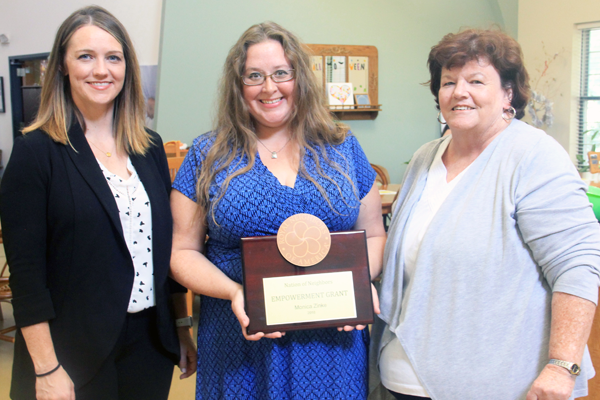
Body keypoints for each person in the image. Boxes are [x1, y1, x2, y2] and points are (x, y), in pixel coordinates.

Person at [372, 29, 600, 400]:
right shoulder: (425, 157)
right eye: (448, 82)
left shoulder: (533, 156)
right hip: (403, 373)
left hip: (497, 382)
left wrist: (562, 365)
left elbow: (577, 265)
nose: (459, 92)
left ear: (508, 92)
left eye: (476, 80)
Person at [170, 22, 386, 400]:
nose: (269, 87)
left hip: (331, 343)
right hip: (241, 339)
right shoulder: (208, 155)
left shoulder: (342, 148)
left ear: (299, 78)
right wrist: (237, 293)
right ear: (238, 86)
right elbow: (182, 251)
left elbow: (373, 233)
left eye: (281, 73)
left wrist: (358, 283)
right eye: (254, 76)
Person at [0, 6, 196, 400]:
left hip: (149, 344)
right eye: (85, 56)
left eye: (114, 57)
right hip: (71, 351)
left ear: (128, 68)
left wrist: (180, 326)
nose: (101, 70)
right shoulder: (36, 153)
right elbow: (27, 276)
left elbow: (165, 249)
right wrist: (46, 367)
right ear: (62, 67)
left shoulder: (149, 148)